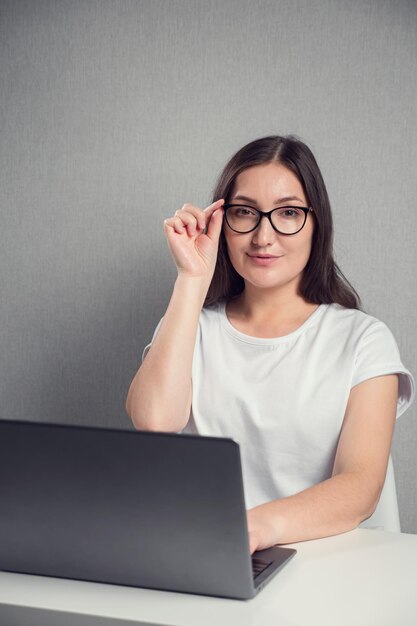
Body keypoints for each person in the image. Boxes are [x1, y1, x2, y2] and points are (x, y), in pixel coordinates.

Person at [126, 135, 414, 554]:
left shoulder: (363, 339)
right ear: (221, 222)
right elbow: (153, 421)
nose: (263, 236)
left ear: (317, 224)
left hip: (334, 569)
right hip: (212, 555)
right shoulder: (190, 327)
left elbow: (360, 486)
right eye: (244, 212)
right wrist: (192, 278)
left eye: (288, 213)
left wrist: (251, 530)